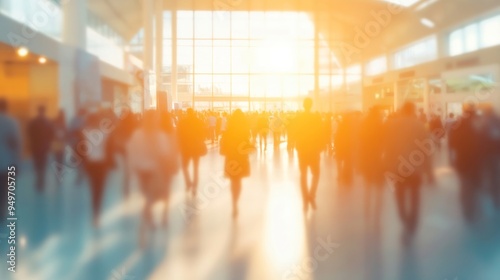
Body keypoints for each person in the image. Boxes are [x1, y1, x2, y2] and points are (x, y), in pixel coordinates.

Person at [128, 110, 179, 247]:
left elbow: (131, 152)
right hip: (154, 170)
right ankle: (147, 222)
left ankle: (148, 221)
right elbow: (165, 153)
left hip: (141, 170)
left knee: (147, 196)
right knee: (152, 197)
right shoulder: (160, 136)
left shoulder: (137, 135)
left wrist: (133, 169)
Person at [383, 102, 431, 244]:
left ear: (403, 110)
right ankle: (412, 223)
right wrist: (428, 171)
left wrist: (387, 166)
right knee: (415, 196)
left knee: (400, 195)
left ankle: (404, 218)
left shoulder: (393, 125)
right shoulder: (419, 125)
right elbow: (426, 148)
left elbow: (388, 147)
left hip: (398, 167)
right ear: (413, 110)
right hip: (415, 169)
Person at [449, 104, 484, 224]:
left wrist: (452, 159)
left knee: (465, 185)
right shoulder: (478, 124)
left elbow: (452, 143)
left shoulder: (457, 124)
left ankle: (467, 209)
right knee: (474, 185)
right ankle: (472, 208)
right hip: (476, 161)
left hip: (462, 160)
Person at [81, 110, 115, 227]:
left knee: (93, 189)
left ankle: (95, 213)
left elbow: (83, 150)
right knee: (100, 190)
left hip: (91, 165)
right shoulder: (103, 133)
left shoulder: (85, 132)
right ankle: (97, 215)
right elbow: (110, 146)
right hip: (101, 164)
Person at [220, 109, 252, 219]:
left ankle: (234, 202)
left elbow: (223, 148)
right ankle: (236, 202)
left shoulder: (228, 131)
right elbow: (248, 146)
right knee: (238, 181)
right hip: (241, 158)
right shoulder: (245, 131)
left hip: (231, 158)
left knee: (234, 180)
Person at [295, 98, 325, 212]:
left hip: (302, 149)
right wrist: (321, 147)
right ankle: (312, 194)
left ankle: (305, 197)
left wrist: (297, 146)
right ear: (311, 105)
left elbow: (295, 133)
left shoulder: (299, 118)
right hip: (313, 149)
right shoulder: (315, 118)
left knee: (303, 174)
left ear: (303, 105)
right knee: (316, 173)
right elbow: (320, 133)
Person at [358, 108, 385, 226]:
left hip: (367, 160)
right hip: (378, 160)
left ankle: (366, 209)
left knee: (368, 186)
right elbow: (384, 143)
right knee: (379, 187)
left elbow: (360, 144)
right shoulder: (380, 126)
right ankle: (377, 211)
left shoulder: (364, 125)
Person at [0, 98, 21, 221]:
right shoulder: (11, 122)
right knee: (5, 189)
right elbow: (16, 143)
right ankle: (2, 212)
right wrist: (17, 162)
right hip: (7, 162)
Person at [177, 108, 207, 196]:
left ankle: (188, 182)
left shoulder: (183, 122)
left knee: (184, 166)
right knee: (196, 167)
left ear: (187, 113)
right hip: (196, 147)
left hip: (186, 148)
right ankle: (194, 186)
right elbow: (203, 134)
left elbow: (179, 134)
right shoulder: (198, 121)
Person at [27, 105, 54, 192]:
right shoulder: (48, 122)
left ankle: (38, 180)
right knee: (43, 164)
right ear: (44, 111)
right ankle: (41, 181)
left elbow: (29, 134)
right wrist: (49, 144)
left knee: (37, 164)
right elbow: (51, 135)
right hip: (44, 147)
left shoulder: (33, 122)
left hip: (35, 146)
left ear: (38, 111)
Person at [52, 109, 67, 185]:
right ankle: (59, 174)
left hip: (56, 144)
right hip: (61, 144)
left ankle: (58, 174)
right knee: (60, 160)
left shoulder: (55, 123)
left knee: (58, 160)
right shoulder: (62, 124)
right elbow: (65, 134)